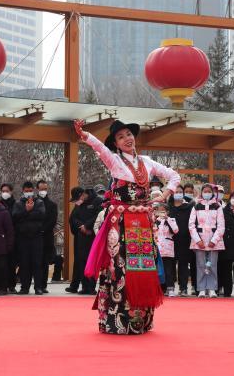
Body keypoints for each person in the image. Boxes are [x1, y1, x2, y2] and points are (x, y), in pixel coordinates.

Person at [75, 119, 180, 334]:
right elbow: (99, 148)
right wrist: (85, 135)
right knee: (120, 268)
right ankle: (118, 320)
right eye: (121, 137)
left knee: (144, 267)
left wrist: (165, 194)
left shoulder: (147, 162)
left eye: (129, 134)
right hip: (121, 224)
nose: (127, 139)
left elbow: (174, 175)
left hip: (143, 224)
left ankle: (141, 321)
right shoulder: (114, 161)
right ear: (115, 143)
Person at [189, 183, 225, 298]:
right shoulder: (196, 206)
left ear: (212, 193)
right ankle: (201, 289)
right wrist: (197, 240)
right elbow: (191, 225)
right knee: (201, 265)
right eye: (205, 191)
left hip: (214, 241)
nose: (207, 193)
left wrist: (214, 240)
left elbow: (221, 226)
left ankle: (212, 288)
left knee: (212, 264)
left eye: (209, 191)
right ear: (202, 193)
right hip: (199, 240)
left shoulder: (218, 206)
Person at [12, 181, 46, 295]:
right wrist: (26, 210)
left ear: (33, 190)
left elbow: (41, 215)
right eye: (26, 191)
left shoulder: (39, 202)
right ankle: (24, 287)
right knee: (24, 263)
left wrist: (27, 213)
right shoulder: (18, 203)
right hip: (23, 237)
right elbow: (15, 217)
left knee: (37, 263)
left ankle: (38, 287)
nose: (28, 193)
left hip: (37, 237)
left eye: (30, 191)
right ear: (23, 191)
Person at [66, 186, 101, 295]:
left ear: (83, 194)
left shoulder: (97, 201)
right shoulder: (80, 203)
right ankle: (84, 286)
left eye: (79, 198)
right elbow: (73, 218)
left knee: (92, 261)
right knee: (81, 260)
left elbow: (98, 216)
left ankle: (91, 287)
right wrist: (81, 227)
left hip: (93, 235)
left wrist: (87, 226)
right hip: (81, 235)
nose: (79, 201)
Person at [169, 184, 195, 296]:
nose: (178, 194)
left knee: (183, 264)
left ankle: (183, 288)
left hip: (185, 239)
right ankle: (170, 287)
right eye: (176, 192)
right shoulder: (168, 207)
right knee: (170, 264)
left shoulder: (188, 207)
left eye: (180, 192)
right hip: (169, 240)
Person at [36, 180, 58, 293]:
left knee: (44, 262)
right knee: (35, 262)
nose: (43, 191)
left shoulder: (52, 205)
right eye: (41, 189)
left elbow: (52, 221)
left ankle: (43, 285)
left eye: (45, 189)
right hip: (34, 236)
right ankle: (34, 285)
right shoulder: (32, 202)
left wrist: (43, 229)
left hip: (46, 237)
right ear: (37, 189)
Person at [154, 203, 179, 296]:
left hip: (167, 249)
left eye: (163, 210)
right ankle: (160, 289)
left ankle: (170, 288)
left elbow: (176, 230)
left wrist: (167, 218)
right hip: (156, 249)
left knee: (168, 270)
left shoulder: (171, 220)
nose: (161, 212)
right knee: (158, 270)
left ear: (167, 212)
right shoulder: (154, 221)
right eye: (159, 210)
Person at [0, 183, 18, 293]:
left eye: (7, 191)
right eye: (3, 191)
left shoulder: (16, 204)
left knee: (12, 263)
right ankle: (1, 285)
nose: (5, 193)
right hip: (0, 238)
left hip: (12, 237)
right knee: (2, 264)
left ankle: (12, 285)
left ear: (11, 192)